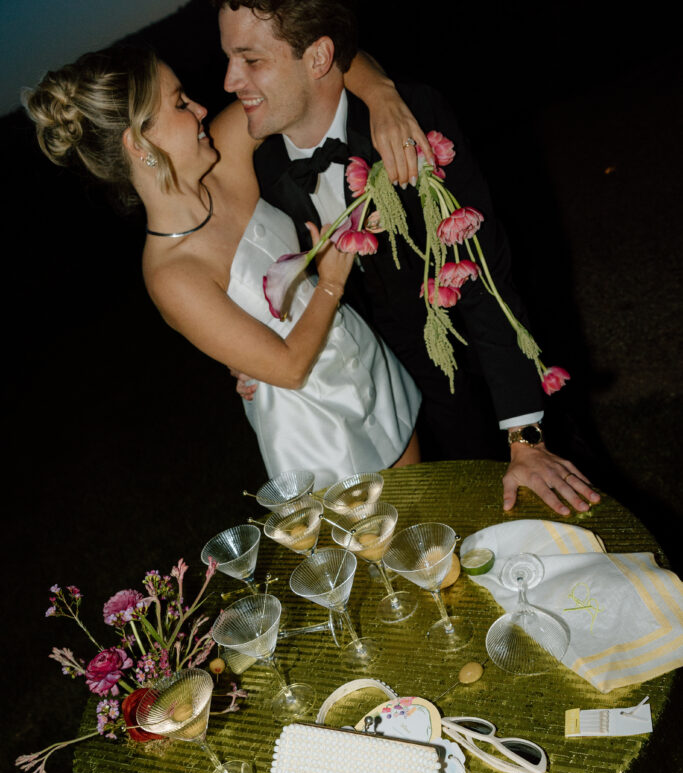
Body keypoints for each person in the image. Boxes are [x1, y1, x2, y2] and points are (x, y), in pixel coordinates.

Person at [215, 0, 602, 517]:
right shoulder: (254, 163)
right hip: (369, 408)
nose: (229, 81)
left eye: (251, 60)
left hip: (469, 369)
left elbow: (484, 279)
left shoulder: (412, 118)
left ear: (319, 58)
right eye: (228, 58)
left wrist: (524, 436)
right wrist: (253, 350)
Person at [24, 45, 421, 489]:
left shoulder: (225, 152)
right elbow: (289, 368)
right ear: (139, 144)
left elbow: (318, 63)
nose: (200, 109)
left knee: (433, 519)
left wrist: (384, 98)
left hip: (363, 360)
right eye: (179, 104)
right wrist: (329, 284)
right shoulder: (171, 275)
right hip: (318, 432)